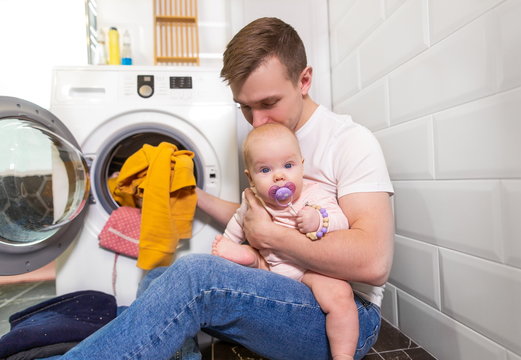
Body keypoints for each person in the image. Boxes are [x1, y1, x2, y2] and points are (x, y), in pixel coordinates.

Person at [60, 16, 394, 360]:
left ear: (304, 80)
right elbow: (253, 219)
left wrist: (272, 238)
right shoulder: (267, 140)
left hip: (340, 315)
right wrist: (193, 195)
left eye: (268, 103)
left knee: (196, 276)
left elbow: (374, 262)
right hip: (282, 287)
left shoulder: (350, 142)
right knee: (161, 275)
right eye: (245, 107)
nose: (257, 120)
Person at [212, 123, 357, 359]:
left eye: (288, 166)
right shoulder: (253, 200)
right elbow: (238, 223)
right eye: (265, 170)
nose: (279, 176)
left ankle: (343, 355)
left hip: (310, 270)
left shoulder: (314, 194)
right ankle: (251, 260)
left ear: (301, 166)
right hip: (271, 268)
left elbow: (342, 221)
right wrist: (226, 244)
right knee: (250, 254)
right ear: (250, 178)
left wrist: (318, 220)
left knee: (340, 294)